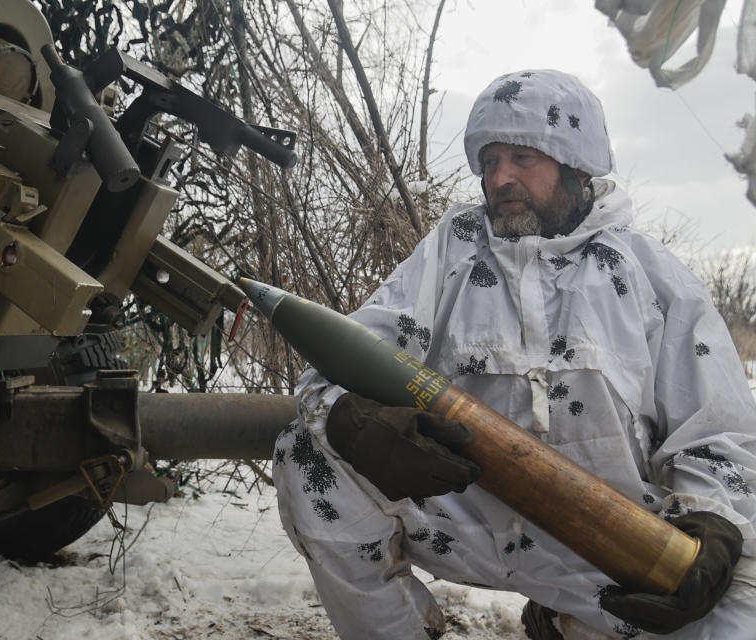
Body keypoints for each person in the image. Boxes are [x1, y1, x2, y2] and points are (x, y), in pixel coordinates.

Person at [272, 69, 756, 639]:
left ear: (578, 164)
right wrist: (355, 423)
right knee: (307, 453)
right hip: (467, 518)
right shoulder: (451, 253)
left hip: (615, 545)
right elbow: (337, 364)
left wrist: (714, 524)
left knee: (735, 603)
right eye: (490, 159)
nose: (501, 177)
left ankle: (569, 618)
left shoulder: (648, 274)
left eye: (523, 157)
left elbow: (718, 432)